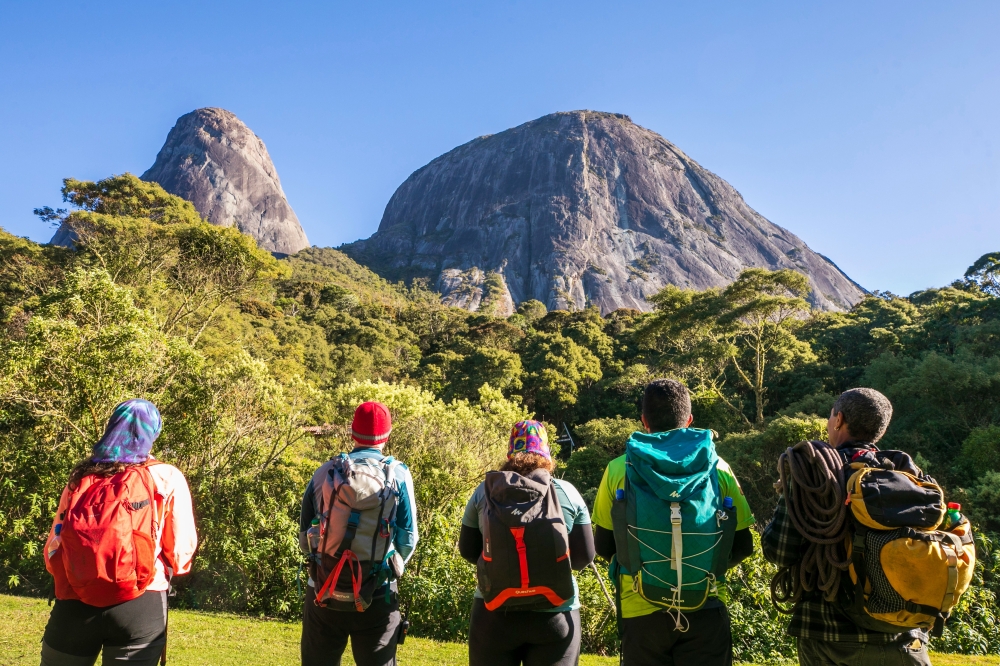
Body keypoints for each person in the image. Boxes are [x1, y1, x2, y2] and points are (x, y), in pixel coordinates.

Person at [762, 388, 931, 666]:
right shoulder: (905, 473)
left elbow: (779, 551)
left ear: (838, 419)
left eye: (830, 417)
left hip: (830, 636)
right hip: (903, 635)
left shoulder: (812, 472)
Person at [592, 379, 756, 666]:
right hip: (706, 604)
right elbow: (743, 546)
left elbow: (604, 545)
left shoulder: (619, 468)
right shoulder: (719, 468)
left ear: (644, 421)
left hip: (639, 608)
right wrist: (706, 570)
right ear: (690, 420)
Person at [40, 399, 198, 666]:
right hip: (140, 601)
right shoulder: (167, 477)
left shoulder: (81, 476)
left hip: (75, 599)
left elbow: (52, 548)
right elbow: (181, 553)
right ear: (153, 432)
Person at [459, 420, 596, 666]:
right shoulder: (566, 492)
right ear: (547, 455)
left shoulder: (485, 491)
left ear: (510, 453)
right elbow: (584, 557)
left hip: (493, 612)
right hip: (556, 613)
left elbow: (468, 551)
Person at [299, 401, 418, 666]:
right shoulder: (397, 474)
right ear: (386, 435)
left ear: (353, 433)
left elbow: (304, 534)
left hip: (323, 590)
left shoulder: (325, 472)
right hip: (378, 592)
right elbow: (408, 537)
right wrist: (390, 566)